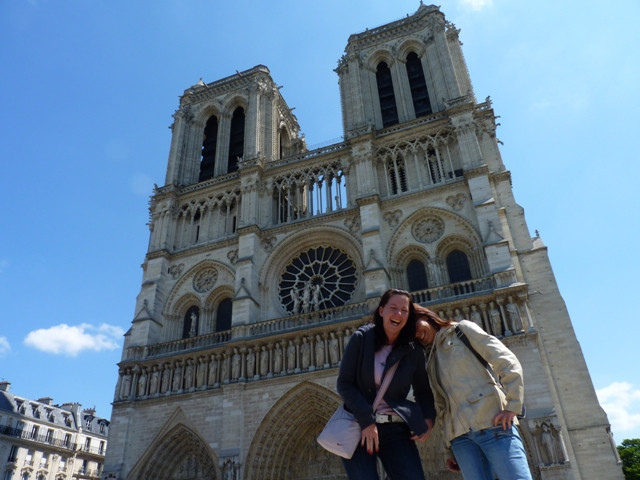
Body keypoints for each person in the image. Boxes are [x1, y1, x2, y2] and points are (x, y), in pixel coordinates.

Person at [414, 304, 532, 480]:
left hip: (493, 425)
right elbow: (442, 407)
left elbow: (507, 361)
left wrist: (513, 405)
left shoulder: (461, 330)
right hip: (461, 441)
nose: (415, 334)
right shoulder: (429, 360)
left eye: (413, 326)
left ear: (425, 316)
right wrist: (448, 448)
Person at [337, 289, 435, 479]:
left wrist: (429, 419)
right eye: (393, 308)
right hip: (358, 426)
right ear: (381, 311)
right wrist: (367, 421)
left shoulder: (412, 350)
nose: (398, 314)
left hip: (395, 429)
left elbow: (423, 390)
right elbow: (344, 383)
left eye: (404, 310)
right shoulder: (362, 338)